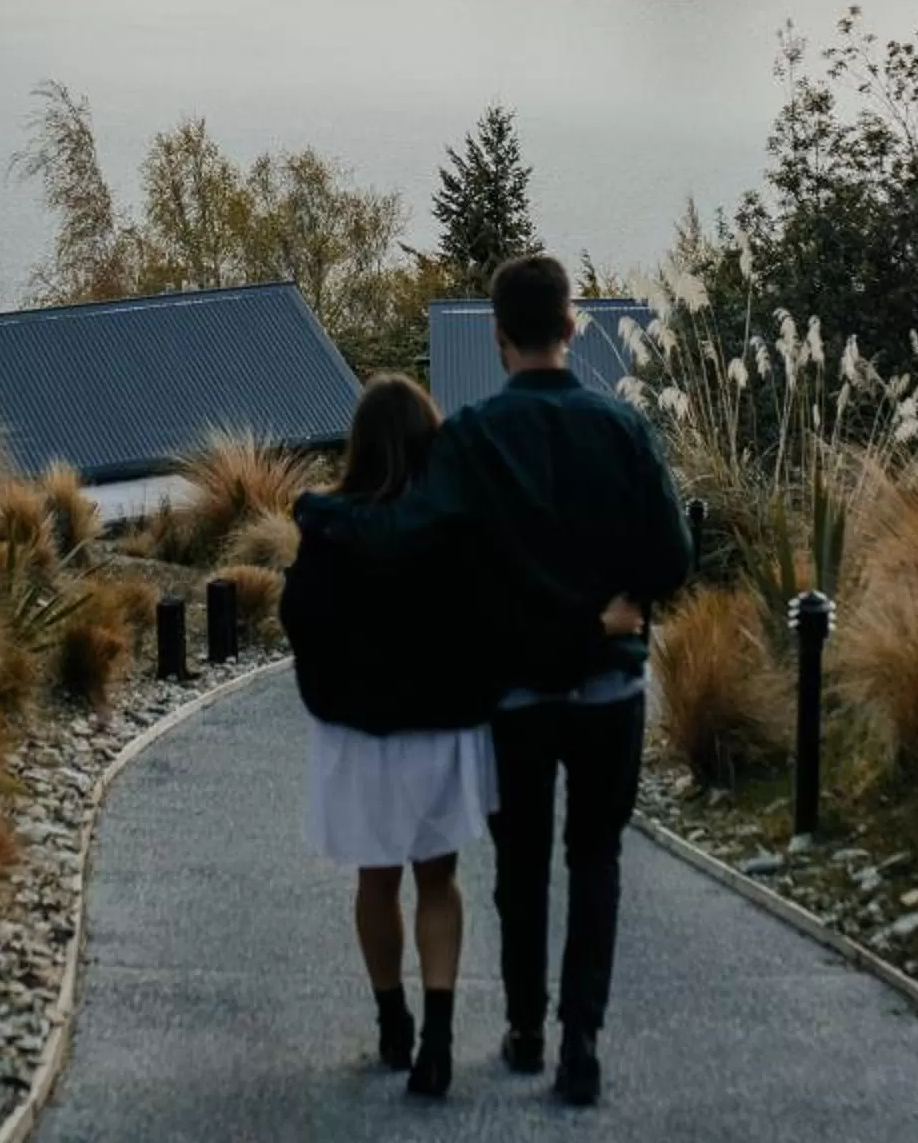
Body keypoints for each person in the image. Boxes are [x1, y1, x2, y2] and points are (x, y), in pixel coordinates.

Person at [294, 253, 693, 1108]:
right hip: (608, 692)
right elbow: (673, 555)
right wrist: (610, 612)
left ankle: (523, 1027)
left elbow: (404, 535)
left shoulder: (473, 438)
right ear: (573, 325)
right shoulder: (623, 430)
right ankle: (579, 1045)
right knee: (596, 861)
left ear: (501, 336)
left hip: (516, 695)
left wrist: (319, 513)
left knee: (521, 866)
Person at [280, 374, 501, 1098]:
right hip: (437, 728)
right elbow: (483, 618)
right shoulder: (456, 523)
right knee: (439, 880)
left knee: (375, 878)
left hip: (360, 732)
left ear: (361, 445)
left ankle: (392, 1021)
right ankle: (437, 1039)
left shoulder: (327, 527)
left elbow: (299, 619)